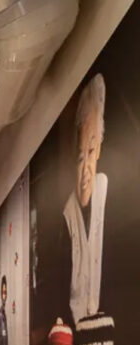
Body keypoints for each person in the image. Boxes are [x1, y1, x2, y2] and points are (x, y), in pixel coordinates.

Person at [64, 74, 106, 325]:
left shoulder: (110, 202)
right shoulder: (65, 214)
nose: (85, 172)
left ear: (99, 148)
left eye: (90, 152)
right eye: (80, 158)